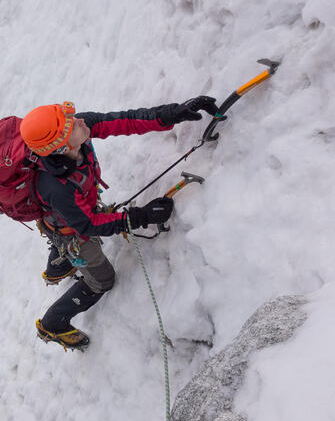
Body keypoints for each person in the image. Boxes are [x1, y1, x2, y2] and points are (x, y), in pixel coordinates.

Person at [21, 96, 219, 351]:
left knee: (62, 229)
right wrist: (139, 217)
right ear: (61, 147)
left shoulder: (77, 133)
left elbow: (124, 121)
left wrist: (171, 113)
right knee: (102, 280)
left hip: (63, 218)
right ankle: (53, 323)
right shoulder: (56, 188)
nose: (80, 120)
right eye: (71, 123)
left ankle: (58, 269)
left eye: (72, 117)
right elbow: (89, 225)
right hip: (73, 230)